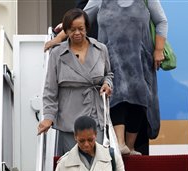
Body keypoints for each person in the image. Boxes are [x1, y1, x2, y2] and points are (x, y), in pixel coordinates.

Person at [45, 0, 168, 155]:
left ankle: (130, 146)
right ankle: (120, 142)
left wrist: (159, 49)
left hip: (139, 58)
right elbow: (83, 16)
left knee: (140, 98)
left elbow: (161, 21)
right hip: (110, 57)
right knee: (115, 96)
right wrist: (59, 38)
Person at [38, 8, 113, 154]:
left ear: (87, 29)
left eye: (81, 29)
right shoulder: (57, 53)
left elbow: (108, 74)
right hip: (69, 119)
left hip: (96, 116)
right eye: (72, 29)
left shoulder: (101, 49)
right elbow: (50, 90)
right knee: (73, 166)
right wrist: (48, 117)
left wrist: (107, 84)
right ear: (65, 30)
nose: (77, 33)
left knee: (97, 162)